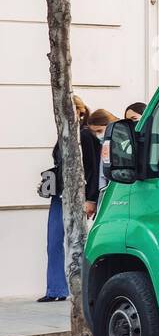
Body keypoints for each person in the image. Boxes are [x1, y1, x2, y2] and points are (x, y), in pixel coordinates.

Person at [39, 97, 96, 302]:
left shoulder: (86, 135)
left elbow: (92, 168)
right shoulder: (62, 135)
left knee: (79, 242)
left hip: (78, 197)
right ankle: (55, 290)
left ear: (80, 111)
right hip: (59, 195)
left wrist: (91, 199)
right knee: (53, 242)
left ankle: (85, 288)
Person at [86, 109, 118, 201]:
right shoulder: (104, 144)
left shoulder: (119, 144)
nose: (97, 135)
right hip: (105, 191)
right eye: (94, 132)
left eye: (99, 130)